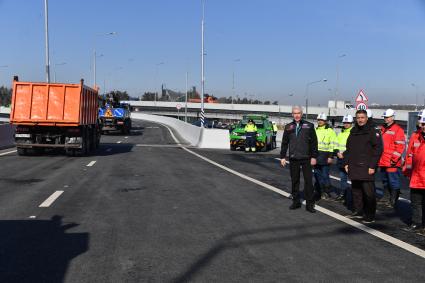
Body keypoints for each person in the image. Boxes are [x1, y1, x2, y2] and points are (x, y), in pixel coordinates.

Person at [344, 109, 383, 224]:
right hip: (354, 165)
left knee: (369, 193)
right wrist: (346, 163)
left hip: (367, 167)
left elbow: (378, 149)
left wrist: (372, 165)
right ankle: (358, 211)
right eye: (358, 118)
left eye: (362, 117)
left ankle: (370, 215)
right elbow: (348, 149)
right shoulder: (353, 131)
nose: (360, 120)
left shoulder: (373, 131)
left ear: (366, 118)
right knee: (356, 191)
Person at [280, 105, 318, 213]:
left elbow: (314, 143)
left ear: (302, 114)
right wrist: (283, 156)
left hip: (306, 158)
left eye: (298, 113)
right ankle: (296, 202)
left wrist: (314, 156)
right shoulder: (288, 127)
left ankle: (310, 205)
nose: (296, 115)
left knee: (308, 182)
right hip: (294, 158)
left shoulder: (309, 126)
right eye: (294, 113)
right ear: (292, 114)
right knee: (295, 181)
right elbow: (284, 143)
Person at [377, 109, 406, 208]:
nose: (386, 119)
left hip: (391, 161)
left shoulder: (398, 130)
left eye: (388, 117)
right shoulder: (382, 128)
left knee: (393, 181)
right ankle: (386, 197)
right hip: (382, 160)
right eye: (385, 117)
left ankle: (393, 200)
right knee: (385, 180)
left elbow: (400, 146)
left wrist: (394, 159)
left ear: (393, 117)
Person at [402, 115, 425, 235]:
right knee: (415, 202)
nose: (423, 126)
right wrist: (407, 170)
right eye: (422, 124)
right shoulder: (415, 136)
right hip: (416, 177)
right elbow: (409, 155)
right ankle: (416, 223)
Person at [314, 113, 337, 200]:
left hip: (326, 155)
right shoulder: (315, 130)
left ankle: (327, 192)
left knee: (325, 175)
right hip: (316, 155)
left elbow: (332, 144)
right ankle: (319, 190)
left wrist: (331, 156)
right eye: (319, 120)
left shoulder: (330, 131)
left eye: (322, 120)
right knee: (317, 175)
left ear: (325, 121)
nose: (320, 121)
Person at [334, 114, 353, 209]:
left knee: (354, 179)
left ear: (351, 123)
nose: (346, 124)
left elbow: (352, 147)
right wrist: (337, 152)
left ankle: (353, 197)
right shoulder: (341, 133)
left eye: (348, 123)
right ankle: (343, 194)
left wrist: (344, 154)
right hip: (340, 159)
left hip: (349, 159)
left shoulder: (353, 133)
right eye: (345, 122)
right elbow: (336, 144)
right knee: (342, 178)